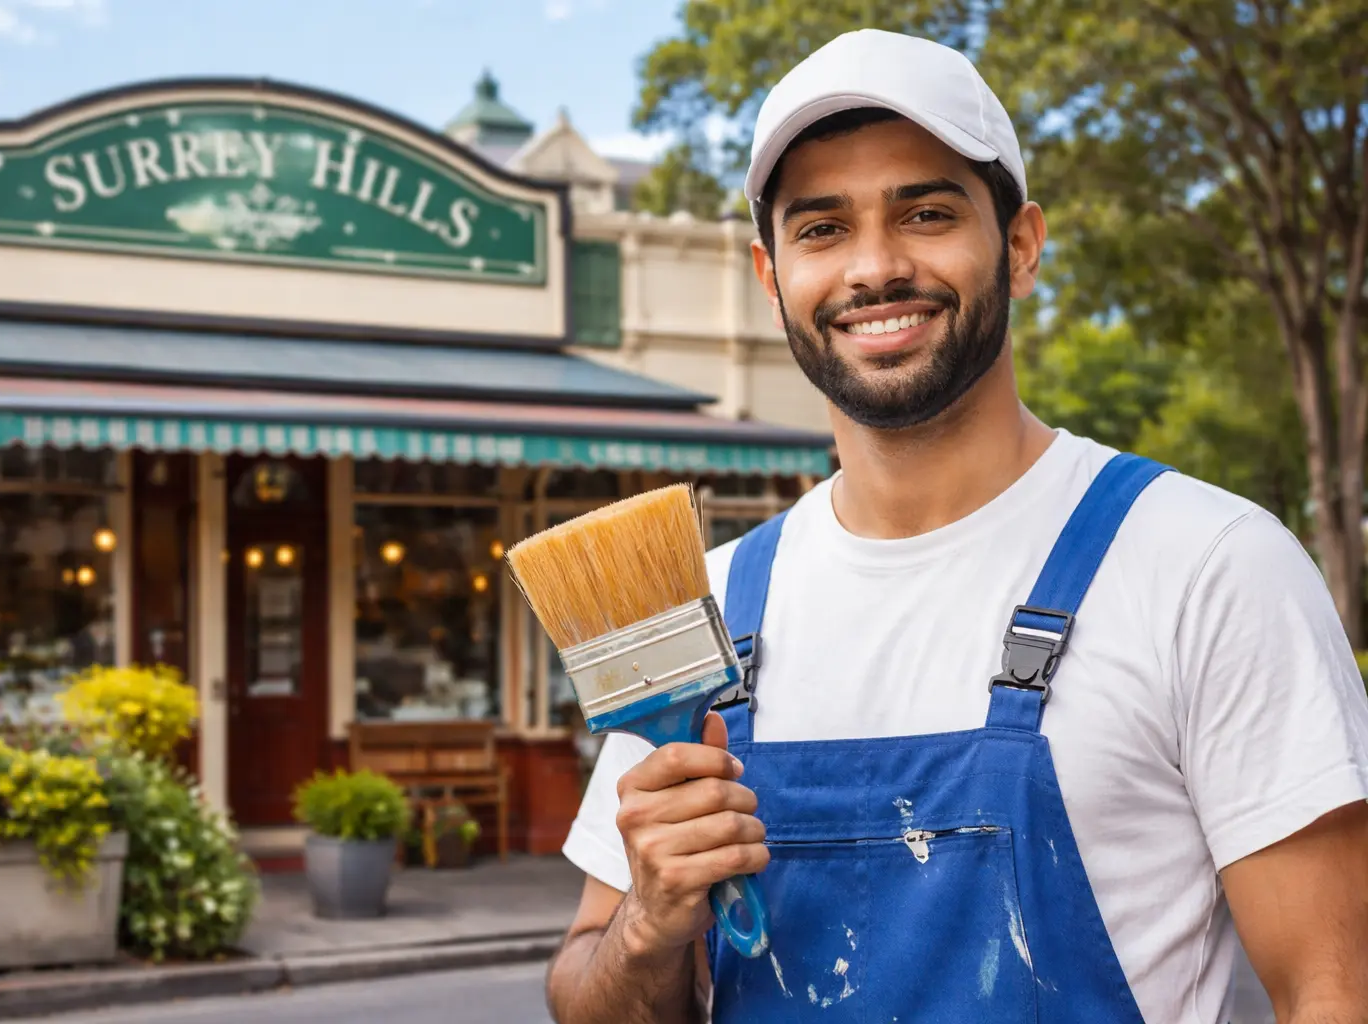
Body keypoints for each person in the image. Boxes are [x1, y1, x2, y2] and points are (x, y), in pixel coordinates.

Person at [544, 28, 1368, 1024]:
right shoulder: (699, 607)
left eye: (925, 213)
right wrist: (647, 922)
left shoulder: (1208, 567)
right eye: (821, 229)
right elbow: (590, 994)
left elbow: (1336, 990)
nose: (876, 267)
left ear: (1019, 247)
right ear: (771, 280)